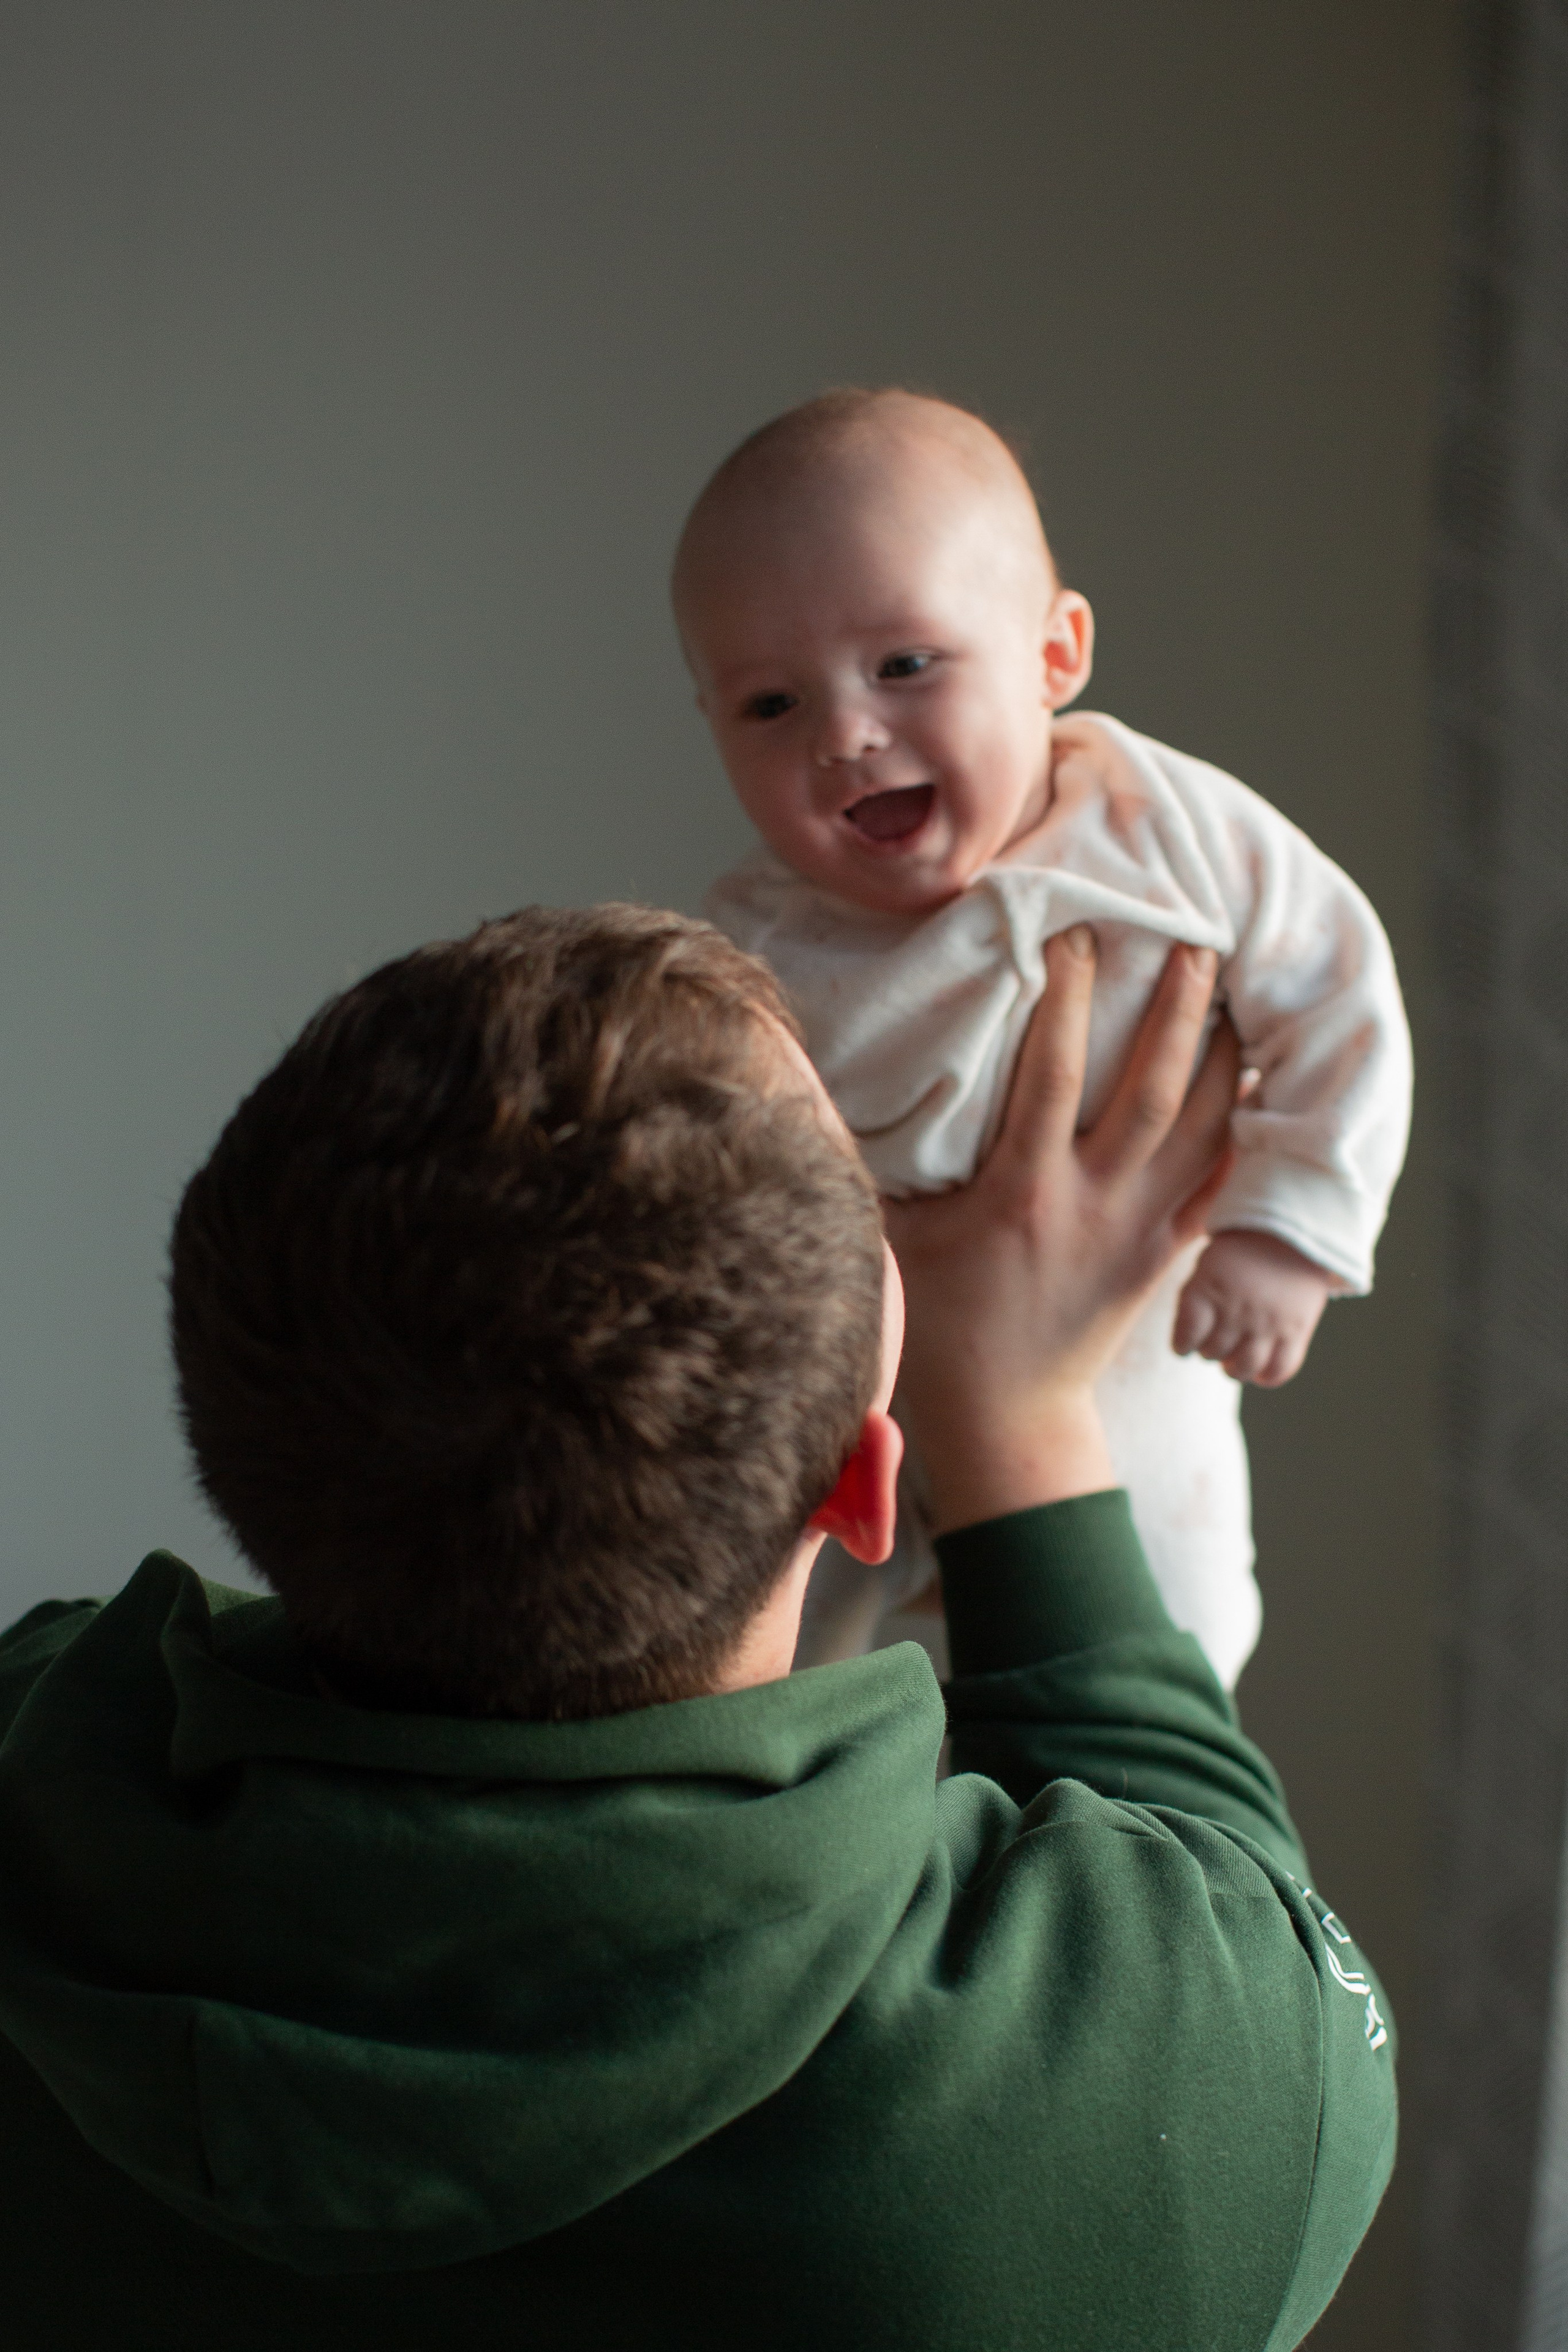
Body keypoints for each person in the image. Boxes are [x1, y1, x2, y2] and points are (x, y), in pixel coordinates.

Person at [0, 903, 1394, 2351]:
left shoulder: (36, 1753)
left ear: (232, 1440)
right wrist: (1020, 1424)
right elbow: (1247, 1945)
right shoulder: (1174, 2096)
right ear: (862, 1487)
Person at [683, 387, 1413, 1686]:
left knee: (1167, 1621)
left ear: (1052, 656)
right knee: (799, 1660)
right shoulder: (755, 944)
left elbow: (1335, 993)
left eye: (904, 665)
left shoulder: (1160, 824)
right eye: (769, 707)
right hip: (857, 1385)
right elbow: (710, 1151)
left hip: (1126, 1356)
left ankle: (1139, 1770)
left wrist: (1283, 1228)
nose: (844, 735)